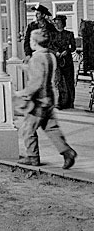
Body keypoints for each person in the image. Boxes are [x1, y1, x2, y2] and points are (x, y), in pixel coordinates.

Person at [15, 29, 77, 169]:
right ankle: (67, 152)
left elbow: (37, 81)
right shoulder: (50, 55)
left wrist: (24, 93)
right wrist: (26, 67)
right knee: (51, 128)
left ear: (34, 43)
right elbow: (44, 72)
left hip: (38, 101)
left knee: (27, 129)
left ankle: (33, 157)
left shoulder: (36, 58)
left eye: (31, 40)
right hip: (49, 97)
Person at [53, 14, 76, 109]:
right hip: (57, 60)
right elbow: (50, 46)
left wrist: (67, 51)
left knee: (69, 81)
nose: (57, 25)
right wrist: (56, 52)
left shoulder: (69, 34)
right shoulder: (53, 34)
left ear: (63, 23)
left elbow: (73, 47)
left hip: (68, 61)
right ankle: (61, 102)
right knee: (59, 81)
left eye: (58, 23)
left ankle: (70, 102)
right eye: (56, 23)